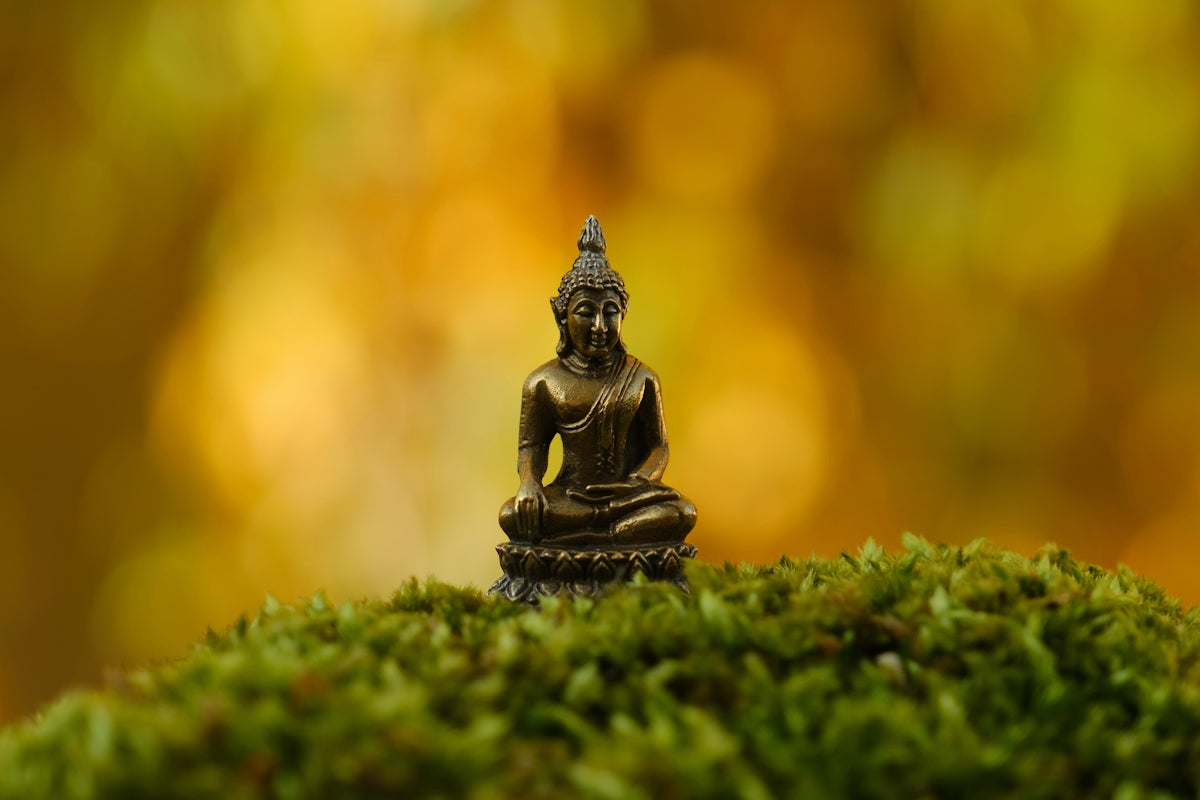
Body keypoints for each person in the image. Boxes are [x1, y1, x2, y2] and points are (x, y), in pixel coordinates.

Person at [498, 216, 697, 546]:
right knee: (512, 515)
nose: (600, 326)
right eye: (586, 312)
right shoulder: (544, 381)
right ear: (561, 316)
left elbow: (658, 447)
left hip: (627, 500)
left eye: (611, 312)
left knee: (682, 512)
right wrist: (530, 484)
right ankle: (612, 538)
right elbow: (531, 447)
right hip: (570, 499)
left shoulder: (642, 378)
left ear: (624, 313)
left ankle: (597, 537)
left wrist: (636, 482)